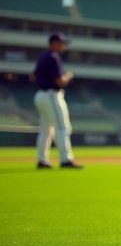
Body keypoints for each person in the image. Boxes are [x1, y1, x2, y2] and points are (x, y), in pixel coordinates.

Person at [33, 32, 82, 169]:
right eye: (62, 43)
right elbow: (59, 81)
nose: (63, 46)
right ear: (54, 43)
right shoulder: (53, 58)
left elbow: (33, 76)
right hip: (50, 95)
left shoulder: (43, 57)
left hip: (40, 95)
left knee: (46, 130)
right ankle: (66, 160)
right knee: (62, 128)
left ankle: (42, 160)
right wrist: (68, 76)